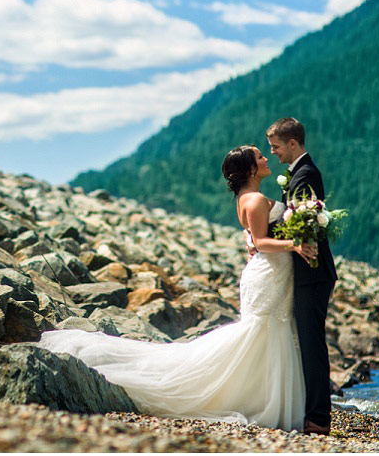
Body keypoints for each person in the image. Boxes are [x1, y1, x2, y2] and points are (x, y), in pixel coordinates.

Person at [37, 144, 317, 431]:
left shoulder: (247, 198)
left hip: (270, 272)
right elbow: (258, 242)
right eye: (259, 156)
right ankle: (258, 400)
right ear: (249, 169)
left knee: (265, 333)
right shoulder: (255, 200)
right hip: (268, 274)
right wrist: (295, 244)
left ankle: (259, 395)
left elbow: (252, 239)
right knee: (262, 331)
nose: (265, 158)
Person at [252, 117, 337, 435]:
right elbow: (296, 219)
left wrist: (260, 234)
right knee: (308, 341)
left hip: (312, 271)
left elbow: (304, 223)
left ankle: (317, 418)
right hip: (306, 271)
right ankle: (313, 411)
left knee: (312, 343)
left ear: (292, 143)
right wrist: (257, 235)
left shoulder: (306, 174)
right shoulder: (300, 174)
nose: (272, 153)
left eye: (275, 147)